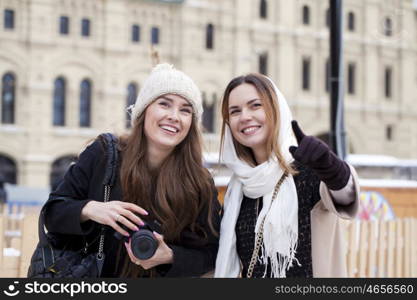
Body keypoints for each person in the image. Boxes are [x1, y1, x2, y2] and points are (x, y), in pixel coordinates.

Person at [43, 63, 221, 277]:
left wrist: (170, 256)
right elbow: (52, 213)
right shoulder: (103, 155)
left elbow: (213, 253)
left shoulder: (198, 181)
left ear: (191, 123)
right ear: (144, 111)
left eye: (185, 110)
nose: (175, 116)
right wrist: (90, 209)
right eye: (164, 104)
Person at [214, 73, 359, 278]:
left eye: (255, 105)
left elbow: (346, 196)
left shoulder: (308, 170)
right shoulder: (238, 187)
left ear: (275, 109)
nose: (245, 116)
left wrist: (330, 167)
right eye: (235, 111)